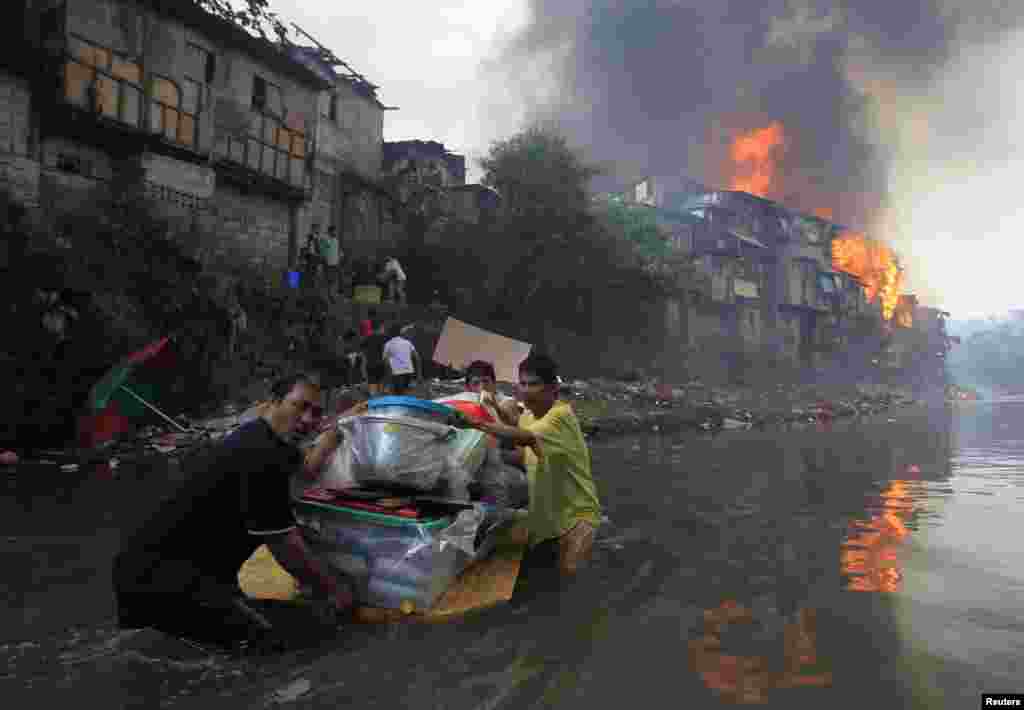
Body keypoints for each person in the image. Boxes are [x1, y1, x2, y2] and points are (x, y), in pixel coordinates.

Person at [113, 374, 369, 638]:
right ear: (273, 402)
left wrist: (335, 430)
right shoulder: (261, 454)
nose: (307, 419)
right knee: (284, 641)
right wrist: (334, 589)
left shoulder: (267, 437)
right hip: (161, 579)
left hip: (177, 570)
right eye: (299, 406)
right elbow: (286, 547)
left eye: (315, 412)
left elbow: (306, 469)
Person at [457, 353, 602, 576]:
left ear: (553, 388)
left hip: (577, 522)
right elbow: (515, 422)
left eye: (533, 384)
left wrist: (476, 424)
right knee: (547, 580)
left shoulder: (560, 416)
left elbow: (524, 435)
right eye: (522, 383)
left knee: (569, 579)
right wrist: (494, 403)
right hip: (547, 522)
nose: (525, 390)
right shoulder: (531, 414)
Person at [382, 323, 421, 395]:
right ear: (400, 333)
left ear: (390, 333)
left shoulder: (388, 344)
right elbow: (417, 358)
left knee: (399, 395)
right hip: (409, 372)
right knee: (407, 393)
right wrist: (419, 375)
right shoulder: (408, 342)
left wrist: (388, 378)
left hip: (397, 373)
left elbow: (386, 362)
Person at [362, 322, 391, 396]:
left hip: (370, 365)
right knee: (381, 389)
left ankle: (374, 402)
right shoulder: (383, 338)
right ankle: (380, 403)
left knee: (373, 389)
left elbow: (363, 353)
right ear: (379, 328)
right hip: (380, 365)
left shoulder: (366, 338)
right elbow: (386, 352)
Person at [319, 226, 341, 299]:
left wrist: (340, 255)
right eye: (334, 231)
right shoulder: (325, 239)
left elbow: (337, 250)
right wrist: (323, 258)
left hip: (335, 263)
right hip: (328, 263)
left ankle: (332, 294)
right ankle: (329, 295)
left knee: (334, 280)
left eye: (335, 231)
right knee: (328, 280)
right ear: (330, 232)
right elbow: (322, 250)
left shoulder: (336, 240)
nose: (335, 233)